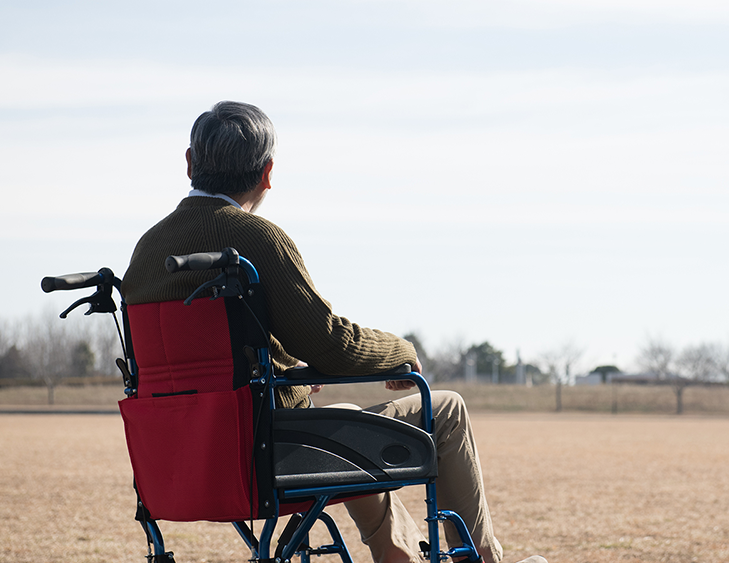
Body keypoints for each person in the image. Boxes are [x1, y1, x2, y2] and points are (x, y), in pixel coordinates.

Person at [120, 101, 545, 563]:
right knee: (446, 408)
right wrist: (402, 350)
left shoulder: (146, 252)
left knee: (343, 421)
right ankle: (479, 557)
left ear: (188, 163)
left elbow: (201, 359)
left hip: (178, 460)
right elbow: (333, 344)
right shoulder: (256, 238)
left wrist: (286, 367)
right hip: (263, 453)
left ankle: (399, 554)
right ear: (267, 173)